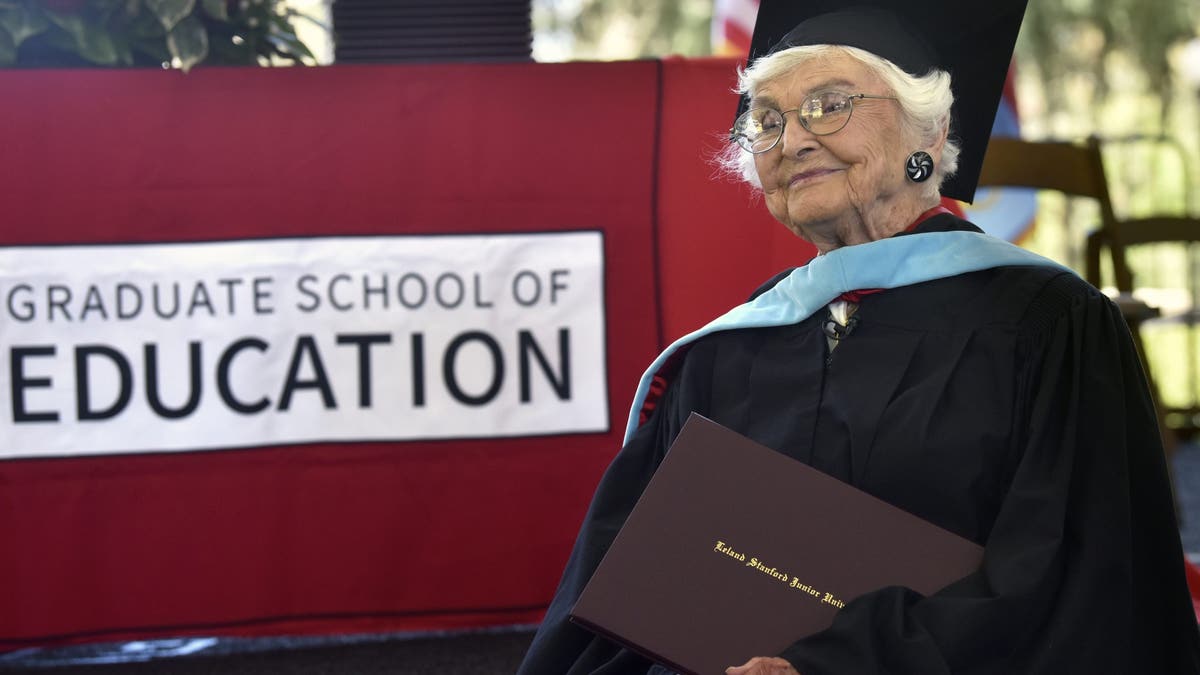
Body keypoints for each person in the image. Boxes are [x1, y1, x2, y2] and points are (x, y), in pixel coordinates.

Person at [517, 2, 1200, 673]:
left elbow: (1078, 586)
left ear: (928, 135)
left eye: (829, 103)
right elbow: (621, 595)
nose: (792, 139)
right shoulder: (728, 349)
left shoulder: (1051, 325)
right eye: (768, 120)